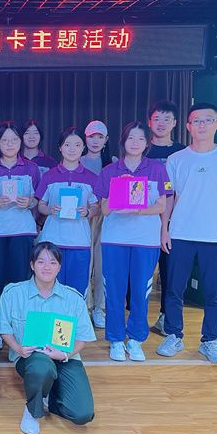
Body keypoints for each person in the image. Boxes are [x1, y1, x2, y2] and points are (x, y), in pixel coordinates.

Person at [157, 103, 217, 364]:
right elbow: (169, 197)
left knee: (214, 294)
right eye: (196, 121)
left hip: (216, 237)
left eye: (208, 120)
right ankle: (173, 335)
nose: (202, 125)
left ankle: (210, 341)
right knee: (174, 289)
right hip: (181, 234)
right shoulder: (176, 159)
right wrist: (164, 229)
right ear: (188, 126)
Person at [0, 242, 96, 434]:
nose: (47, 267)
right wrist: (17, 348)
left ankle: (49, 394)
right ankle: (32, 411)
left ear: (59, 267)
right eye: (41, 261)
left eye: (52, 262)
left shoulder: (73, 298)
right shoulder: (13, 293)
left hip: (65, 358)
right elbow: (4, 329)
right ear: (32, 265)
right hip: (31, 357)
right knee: (41, 367)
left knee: (82, 414)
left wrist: (65, 354)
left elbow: (82, 338)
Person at [96, 121, 170, 361]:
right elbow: (104, 209)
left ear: (147, 143)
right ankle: (116, 339)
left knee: (140, 291)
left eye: (140, 138)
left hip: (145, 240)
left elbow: (161, 205)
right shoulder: (110, 171)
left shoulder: (157, 169)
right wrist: (121, 191)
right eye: (130, 138)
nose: (135, 143)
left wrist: (138, 210)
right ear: (123, 141)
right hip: (115, 239)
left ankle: (136, 339)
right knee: (114, 291)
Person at [35, 127, 100, 296]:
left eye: (77, 145)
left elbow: (96, 207)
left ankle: (74, 315)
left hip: (79, 242)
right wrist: (50, 210)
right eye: (67, 144)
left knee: (76, 290)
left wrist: (87, 212)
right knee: (50, 288)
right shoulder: (49, 176)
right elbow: (40, 205)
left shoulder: (91, 178)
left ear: (83, 147)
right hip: (52, 241)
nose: (72, 149)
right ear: (60, 147)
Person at [0, 121, 40, 297]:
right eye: (5, 140)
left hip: (22, 230)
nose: (10, 144)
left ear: (20, 141)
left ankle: (18, 313)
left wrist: (29, 202)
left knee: (20, 279)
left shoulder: (31, 168)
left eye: (14, 139)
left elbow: (38, 199)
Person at [145, 101, 186, 335]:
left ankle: (166, 317)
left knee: (170, 272)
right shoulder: (141, 149)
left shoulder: (183, 153)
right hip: (143, 221)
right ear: (149, 122)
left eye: (166, 119)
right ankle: (135, 316)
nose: (161, 123)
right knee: (140, 273)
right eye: (157, 118)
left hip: (174, 223)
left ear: (175, 123)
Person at [80, 120, 115, 329]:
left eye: (100, 137)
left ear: (106, 140)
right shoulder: (77, 160)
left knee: (103, 266)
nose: (95, 141)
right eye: (91, 136)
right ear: (85, 138)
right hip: (83, 218)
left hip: (107, 219)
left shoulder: (113, 163)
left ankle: (99, 308)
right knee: (85, 263)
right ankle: (85, 306)